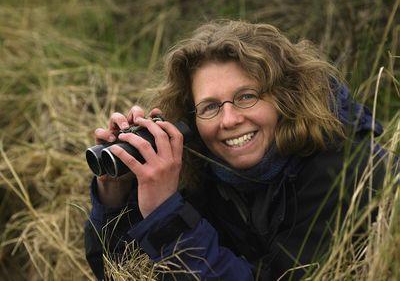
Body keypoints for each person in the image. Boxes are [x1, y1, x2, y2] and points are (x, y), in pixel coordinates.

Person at [84, 20, 386, 280]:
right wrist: (117, 197)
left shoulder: (346, 169)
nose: (229, 120)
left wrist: (168, 216)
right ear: (190, 121)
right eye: (210, 107)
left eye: (246, 97)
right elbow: (119, 272)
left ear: (286, 98)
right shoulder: (210, 171)